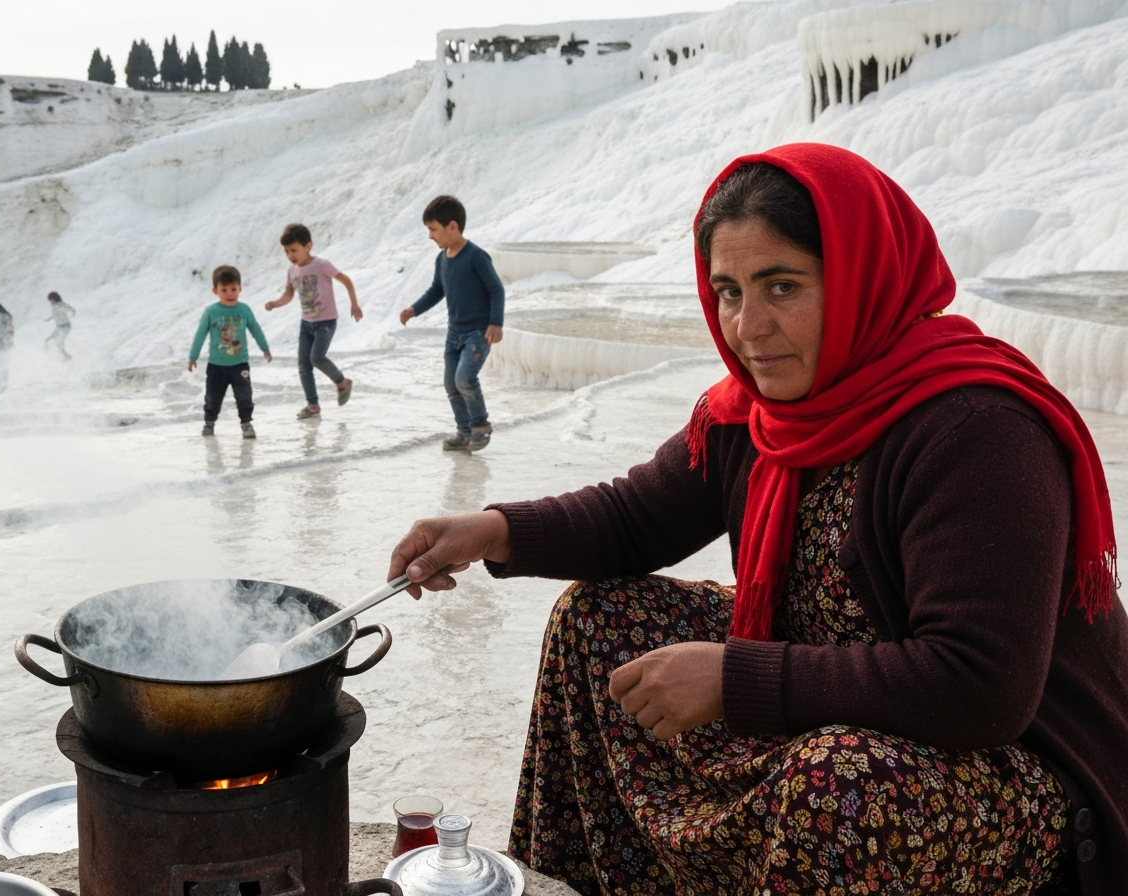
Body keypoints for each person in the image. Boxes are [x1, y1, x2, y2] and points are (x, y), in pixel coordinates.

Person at [387, 145, 1128, 895]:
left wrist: (735, 678)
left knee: (837, 787)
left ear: (862, 274)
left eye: (782, 286)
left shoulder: (975, 428)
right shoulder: (756, 413)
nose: (748, 326)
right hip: (833, 702)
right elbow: (639, 512)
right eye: (728, 291)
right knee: (595, 621)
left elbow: (980, 687)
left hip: (1021, 773)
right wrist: (492, 530)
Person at [399, 195, 505, 451]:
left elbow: (496, 289)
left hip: (478, 334)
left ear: (452, 226)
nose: (430, 236)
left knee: (465, 378)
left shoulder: (476, 257)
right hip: (454, 334)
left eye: (433, 230)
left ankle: (481, 426)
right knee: (451, 385)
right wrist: (414, 309)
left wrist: (495, 323)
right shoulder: (442, 259)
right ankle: (464, 431)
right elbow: (437, 290)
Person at [263, 223, 362, 420]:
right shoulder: (292, 271)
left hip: (326, 321)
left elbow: (346, 280)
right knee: (303, 365)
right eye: (286, 251)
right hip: (306, 323)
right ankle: (313, 405)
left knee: (316, 358)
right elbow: (288, 295)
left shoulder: (321, 265)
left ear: (308, 246)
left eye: (294, 250)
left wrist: (354, 305)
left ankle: (342, 382)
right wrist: (275, 304)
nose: (291, 255)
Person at [189, 265, 272, 439]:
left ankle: (247, 424)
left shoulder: (244, 310)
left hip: (239, 364)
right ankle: (209, 424)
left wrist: (265, 348)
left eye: (234, 289)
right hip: (216, 366)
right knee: (212, 398)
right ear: (215, 291)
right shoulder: (211, 312)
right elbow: (200, 334)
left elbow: (255, 329)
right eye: (224, 289)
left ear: (240, 288)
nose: (230, 294)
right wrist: (193, 357)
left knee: (244, 396)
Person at [44, 291, 75, 360]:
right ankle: (46, 355)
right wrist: (49, 319)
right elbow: (55, 313)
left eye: (51, 300)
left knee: (59, 341)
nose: (50, 302)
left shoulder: (62, 305)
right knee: (48, 340)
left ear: (55, 299)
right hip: (59, 327)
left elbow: (70, 309)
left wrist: (72, 313)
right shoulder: (54, 306)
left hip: (65, 326)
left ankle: (66, 356)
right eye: (49, 300)